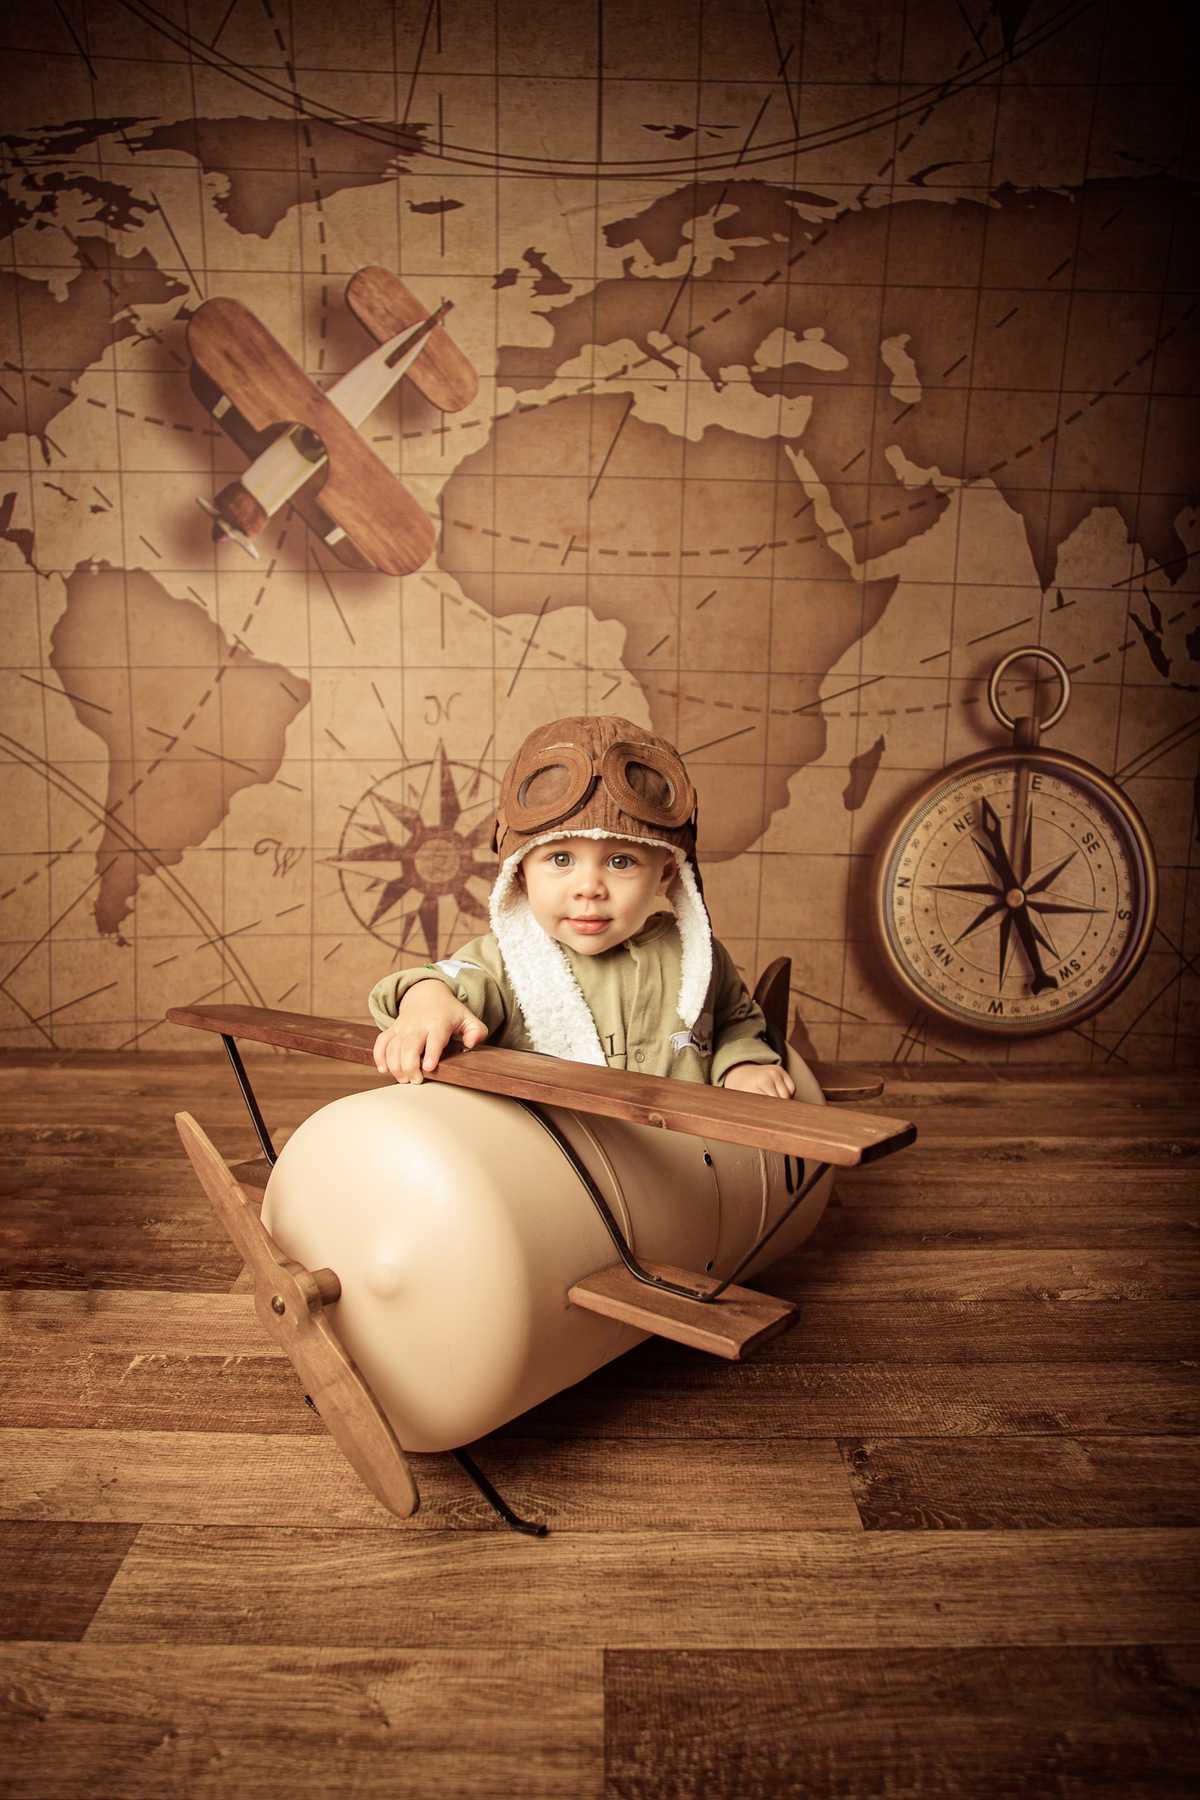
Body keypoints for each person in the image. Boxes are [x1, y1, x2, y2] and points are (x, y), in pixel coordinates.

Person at [369, 714, 795, 1099]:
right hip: (563, 1167)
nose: (589, 887)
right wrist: (428, 1004)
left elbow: (735, 1019)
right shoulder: (507, 963)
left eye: (620, 861)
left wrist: (741, 1063)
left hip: (686, 1161)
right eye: (560, 859)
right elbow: (445, 981)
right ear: (519, 873)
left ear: (665, 873)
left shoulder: (696, 957)